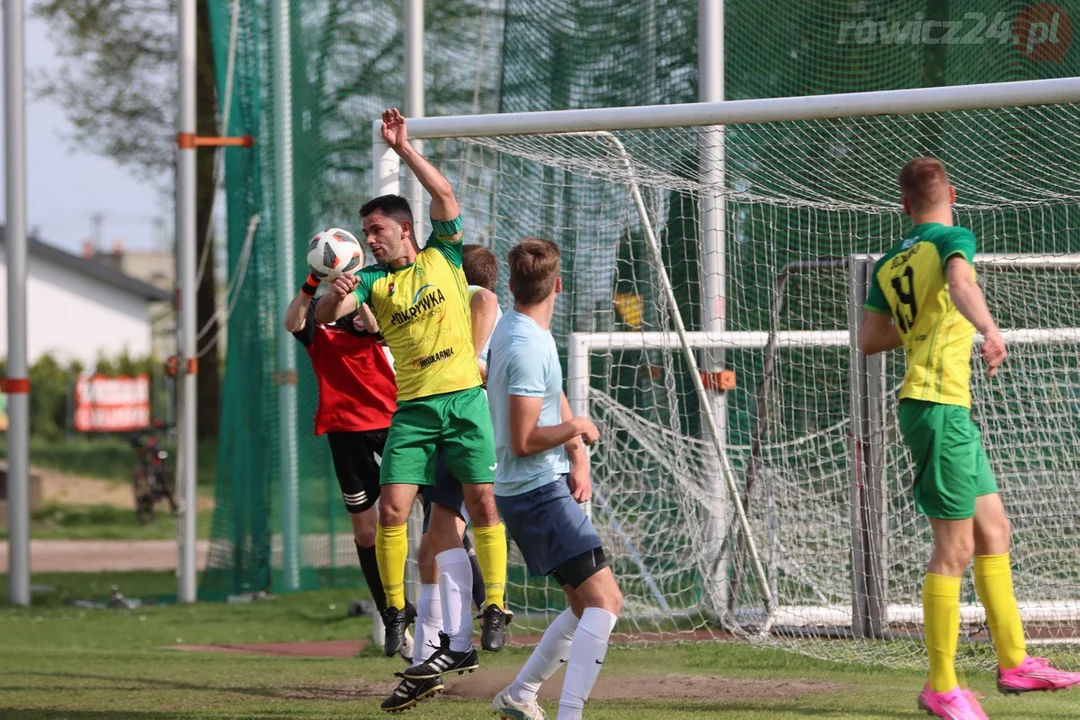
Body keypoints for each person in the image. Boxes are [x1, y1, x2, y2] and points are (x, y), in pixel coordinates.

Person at [859, 157, 1080, 720]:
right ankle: (941, 686)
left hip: (945, 409)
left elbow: (868, 339)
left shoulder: (890, 261)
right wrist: (987, 327)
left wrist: (919, 326)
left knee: (994, 530)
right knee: (953, 549)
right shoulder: (953, 237)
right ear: (951, 195)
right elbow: (959, 281)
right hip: (936, 408)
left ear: (903, 205)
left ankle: (1014, 662)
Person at [317, 109, 508, 687]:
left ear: (404, 229)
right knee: (392, 511)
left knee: (483, 505)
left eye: (377, 231)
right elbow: (328, 318)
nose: (370, 241)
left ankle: (496, 604)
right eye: (365, 234)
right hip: (415, 411)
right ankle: (396, 613)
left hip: (465, 402)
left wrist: (403, 150)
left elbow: (444, 192)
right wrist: (333, 290)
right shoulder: (372, 281)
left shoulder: (442, 257)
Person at [486, 238, 622, 720]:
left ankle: (521, 695)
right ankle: (569, 714)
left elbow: (551, 392)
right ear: (558, 285)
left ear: (512, 284)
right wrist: (577, 428)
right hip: (535, 492)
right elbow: (523, 439)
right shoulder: (524, 345)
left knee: (585, 608)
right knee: (606, 603)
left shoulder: (520, 328)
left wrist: (576, 454)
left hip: (535, 489)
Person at [381, 244, 505, 713]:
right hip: (464, 428)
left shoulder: (469, 298)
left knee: (440, 537)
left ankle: (450, 644)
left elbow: (485, 301)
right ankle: (431, 655)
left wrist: (468, 363)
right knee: (432, 541)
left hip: (458, 424)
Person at [283, 270, 407, 657]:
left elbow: (375, 328)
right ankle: (392, 615)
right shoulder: (316, 326)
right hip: (344, 433)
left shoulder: (363, 314)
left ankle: (471, 597)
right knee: (365, 532)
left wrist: (361, 294)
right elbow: (293, 321)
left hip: (391, 425)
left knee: (435, 506)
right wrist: (311, 282)